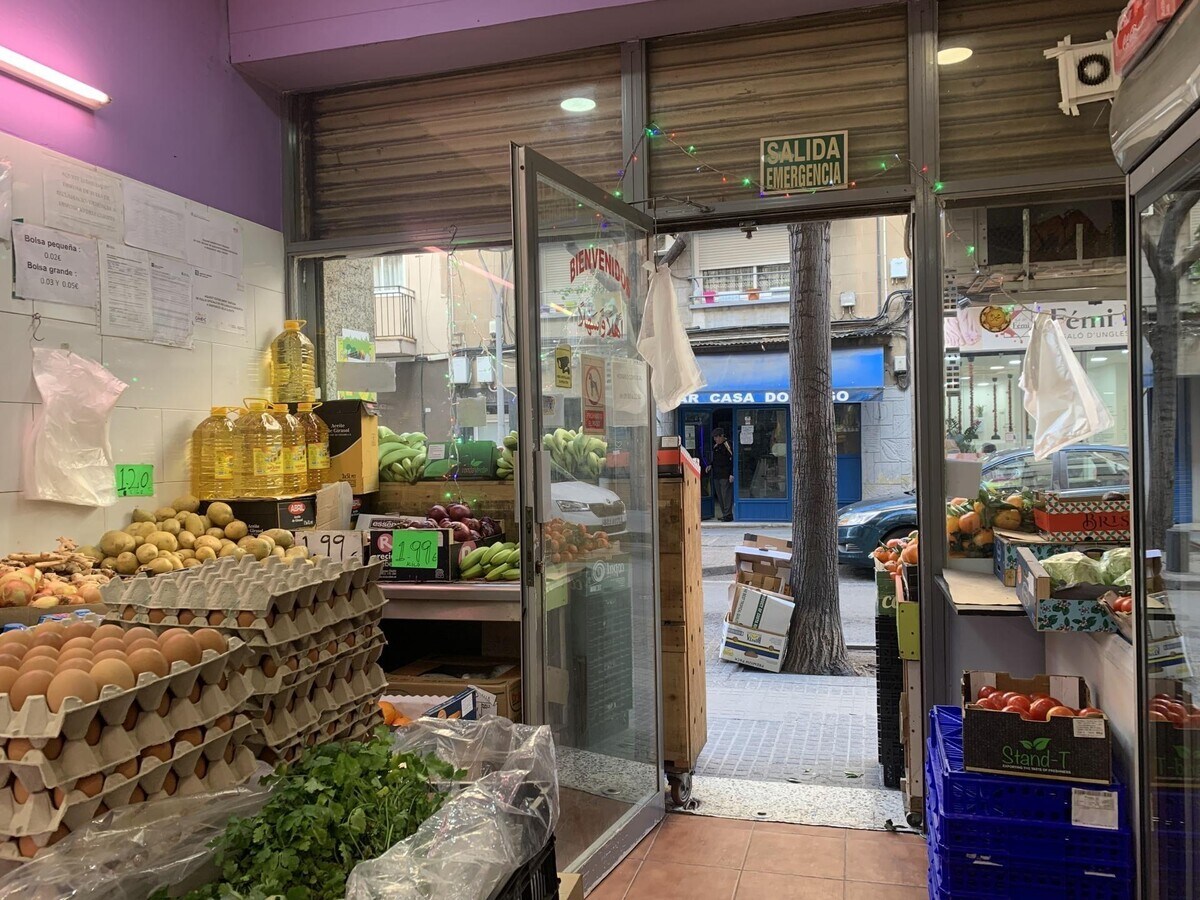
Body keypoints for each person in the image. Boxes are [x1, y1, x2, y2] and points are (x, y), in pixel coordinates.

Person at [706, 428, 735, 521]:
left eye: (717, 437)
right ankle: (724, 513)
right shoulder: (715, 446)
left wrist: (732, 473)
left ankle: (728, 514)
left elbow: (733, 459)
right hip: (716, 474)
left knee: (726, 495)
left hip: (725, 474)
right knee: (720, 495)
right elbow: (714, 459)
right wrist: (710, 465)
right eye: (714, 438)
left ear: (722, 436)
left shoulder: (727, 445)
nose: (715, 439)